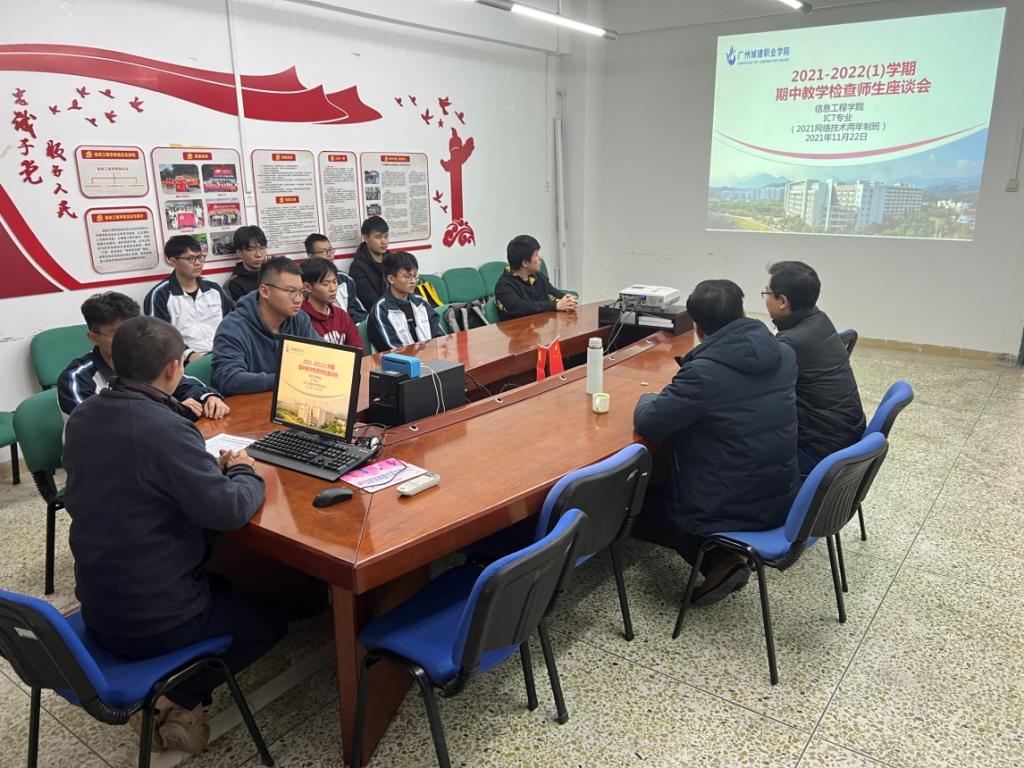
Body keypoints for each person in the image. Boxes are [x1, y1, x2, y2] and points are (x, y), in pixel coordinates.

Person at [63, 316, 287, 755]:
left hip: (99, 603)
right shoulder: (161, 428)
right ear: (173, 368)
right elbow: (229, 511)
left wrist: (201, 472)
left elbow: (137, 479)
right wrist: (244, 471)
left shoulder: (85, 417)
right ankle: (172, 699)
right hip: (155, 619)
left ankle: (177, 698)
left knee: (230, 586)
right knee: (272, 621)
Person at [633, 280, 798, 606]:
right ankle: (724, 559)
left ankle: (718, 559)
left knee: (641, 505)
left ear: (697, 327)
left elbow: (650, 423)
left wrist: (647, 397)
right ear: (742, 311)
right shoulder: (785, 354)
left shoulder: (705, 374)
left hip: (731, 504)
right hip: (782, 494)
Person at [58, 292, 228, 421]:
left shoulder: (143, 358)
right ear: (93, 337)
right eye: (116, 333)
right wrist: (172, 409)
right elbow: (102, 423)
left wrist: (208, 397)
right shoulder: (76, 378)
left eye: (133, 330)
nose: (128, 339)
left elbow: (182, 383)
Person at [763, 261, 866, 474]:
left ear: (782, 301)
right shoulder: (820, 320)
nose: (765, 299)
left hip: (819, 455)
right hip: (845, 443)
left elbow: (756, 390)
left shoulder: (791, 343)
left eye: (767, 293)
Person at [212, 256, 320, 395]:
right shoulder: (233, 327)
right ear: (265, 291)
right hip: (247, 403)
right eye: (291, 291)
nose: (299, 299)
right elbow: (229, 379)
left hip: (288, 398)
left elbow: (322, 352)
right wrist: (284, 380)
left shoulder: (299, 319)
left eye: (301, 292)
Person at [144, 235, 234, 361]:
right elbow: (159, 336)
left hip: (224, 353)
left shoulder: (214, 289)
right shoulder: (160, 295)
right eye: (190, 258)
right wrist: (189, 354)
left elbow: (232, 321)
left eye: (200, 257)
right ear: (173, 261)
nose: (198, 263)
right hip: (185, 360)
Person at [367, 250, 445, 351]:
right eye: (407, 277)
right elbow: (392, 350)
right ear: (391, 279)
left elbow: (440, 337)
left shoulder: (421, 303)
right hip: (400, 360)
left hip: (430, 357)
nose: (413, 281)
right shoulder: (381, 310)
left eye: (415, 276)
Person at [494, 235, 577, 320]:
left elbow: (552, 292)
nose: (540, 258)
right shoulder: (504, 286)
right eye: (536, 255)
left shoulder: (538, 276)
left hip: (539, 325)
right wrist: (555, 305)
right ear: (525, 263)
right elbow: (521, 308)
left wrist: (567, 299)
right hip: (518, 327)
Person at [300, 257, 362, 349]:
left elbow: (357, 348)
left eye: (334, 282)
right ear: (307, 287)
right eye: (326, 284)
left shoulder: (341, 315)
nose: (333, 288)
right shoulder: (300, 319)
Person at [304, 232, 367, 322]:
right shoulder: (303, 283)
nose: (329, 255)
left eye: (330, 250)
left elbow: (357, 311)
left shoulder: (345, 279)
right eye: (323, 252)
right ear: (310, 256)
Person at [349, 216, 390, 311]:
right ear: (366, 238)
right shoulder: (358, 268)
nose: (384, 242)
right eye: (378, 237)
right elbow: (371, 302)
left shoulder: (392, 259)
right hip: (378, 313)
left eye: (386, 236)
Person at [223, 226, 268, 301]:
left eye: (262, 248)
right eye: (251, 249)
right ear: (239, 252)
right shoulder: (234, 284)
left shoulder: (274, 272)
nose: (258, 254)